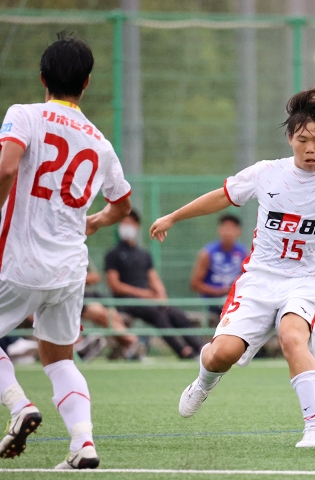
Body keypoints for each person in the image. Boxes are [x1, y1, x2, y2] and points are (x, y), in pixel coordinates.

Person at [149, 87, 315, 448]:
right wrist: (173, 217)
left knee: (292, 337)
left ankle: (313, 430)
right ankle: (204, 381)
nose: (310, 148)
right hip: (258, 280)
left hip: (304, 282)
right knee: (222, 354)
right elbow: (221, 195)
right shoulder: (266, 174)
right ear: (290, 138)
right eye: (302, 139)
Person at [0, 33, 131, 468]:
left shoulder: (25, 115)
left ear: (41, 78)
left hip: (19, 257)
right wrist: (94, 221)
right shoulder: (100, 142)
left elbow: (6, 166)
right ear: (87, 83)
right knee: (59, 358)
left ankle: (19, 406)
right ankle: (83, 445)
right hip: (69, 268)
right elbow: (123, 205)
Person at [104, 210, 203, 359]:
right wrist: (146, 295)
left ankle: (200, 348)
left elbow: (154, 278)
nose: (127, 226)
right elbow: (115, 286)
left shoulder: (144, 254)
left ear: (137, 226)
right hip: (126, 301)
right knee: (158, 315)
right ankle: (183, 351)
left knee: (176, 314)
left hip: (149, 301)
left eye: (130, 223)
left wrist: (161, 296)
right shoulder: (112, 254)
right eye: (124, 222)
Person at [190, 214, 247, 320]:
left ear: (238, 231)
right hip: (213, 301)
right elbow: (195, 284)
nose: (228, 233)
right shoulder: (207, 253)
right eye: (225, 228)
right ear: (219, 230)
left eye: (232, 229)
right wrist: (221, 291)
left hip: (235, 299)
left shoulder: (243, 253)